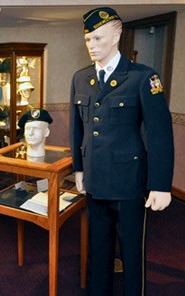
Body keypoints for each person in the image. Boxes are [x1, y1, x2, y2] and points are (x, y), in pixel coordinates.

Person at [69, 7, 174, 296]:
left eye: (98, 38)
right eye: (88, 39)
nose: (92, 46)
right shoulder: (81, 78)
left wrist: (160, 184)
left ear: (117, 35)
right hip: (94, 182)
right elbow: (77, 130)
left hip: (129, 183)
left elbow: (159, 134)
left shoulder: (142, 78)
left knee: (131, 253)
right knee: (98, 252)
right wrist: (78, 169)